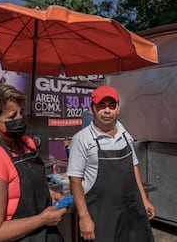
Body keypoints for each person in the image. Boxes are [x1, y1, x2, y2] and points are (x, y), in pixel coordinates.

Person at [0, 83, 67, 242]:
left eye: (21, 113)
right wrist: (43, 219)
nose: (19, 119)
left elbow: (22, 187)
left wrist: (49, 194)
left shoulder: (26, 142)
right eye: (11, 117)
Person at [67, 85, 155, 241]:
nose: (107, 110)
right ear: (91, 109)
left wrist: (144, 199)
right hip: (101, 214)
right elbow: (75, 180)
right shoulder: (82, 139)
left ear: (118, 109)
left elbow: (134, 167)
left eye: (111, 106)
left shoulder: (124, 133)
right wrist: (84, 217)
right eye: (101, 106)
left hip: (131, 210)